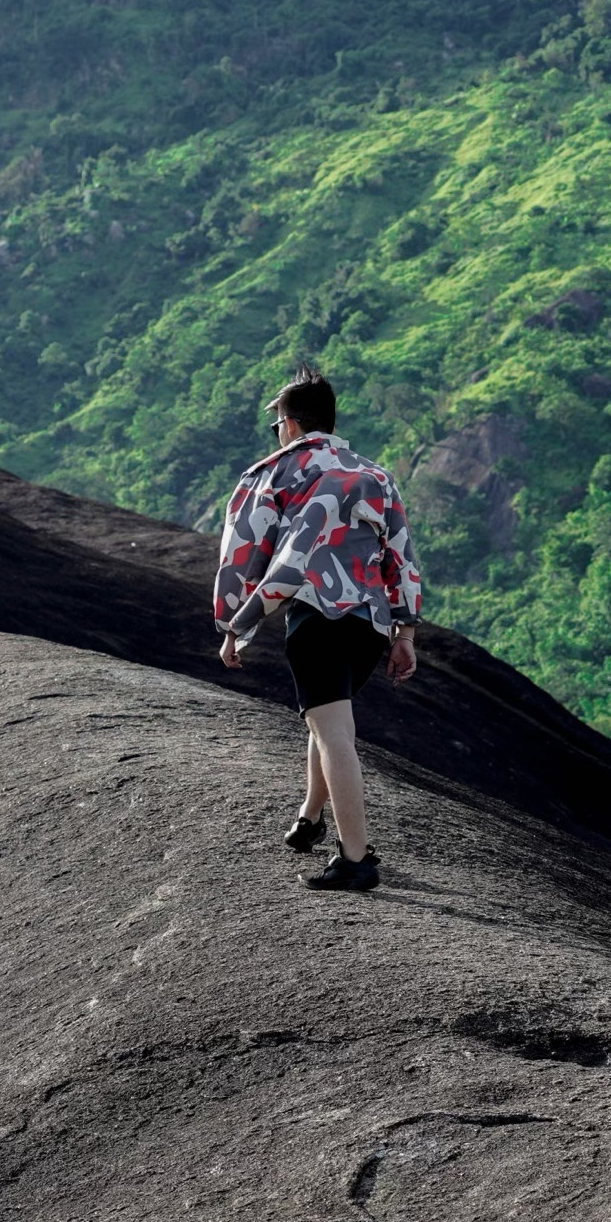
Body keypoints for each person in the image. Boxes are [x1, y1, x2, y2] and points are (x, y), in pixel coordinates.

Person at [212, 365, 424, 892]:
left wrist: (234, 625)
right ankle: (310, 818)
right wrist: (405, 635)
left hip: (317, 617)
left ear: (290, 423)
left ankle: (356, 859)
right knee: (327, 716)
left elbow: (242, 555)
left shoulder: (272, 474)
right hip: (370, 625)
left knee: (334, 734)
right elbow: (401, 556)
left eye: (275, 425)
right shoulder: (375, 475)